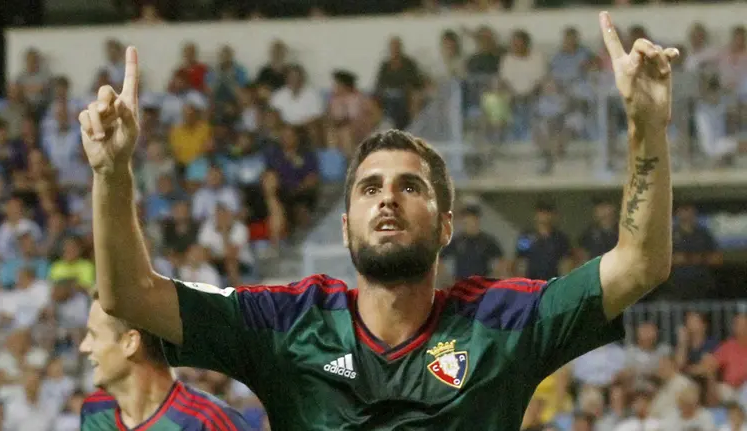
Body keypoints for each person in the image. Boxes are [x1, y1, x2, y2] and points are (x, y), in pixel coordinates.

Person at [77, 12, 678, 430]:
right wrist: (112, 174)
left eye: (409, 186)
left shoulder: (503, 321)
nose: (387, 199)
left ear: (446, 226)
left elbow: (640, 264)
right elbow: (128, 294)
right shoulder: (285, 325)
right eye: (369, 188)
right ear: (345, 228)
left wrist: (646, 127)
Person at [79, 293, 250, 430]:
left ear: (130, 343)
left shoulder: (210, 421)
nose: (83, 346)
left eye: (94, 335)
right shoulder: (95, 411)